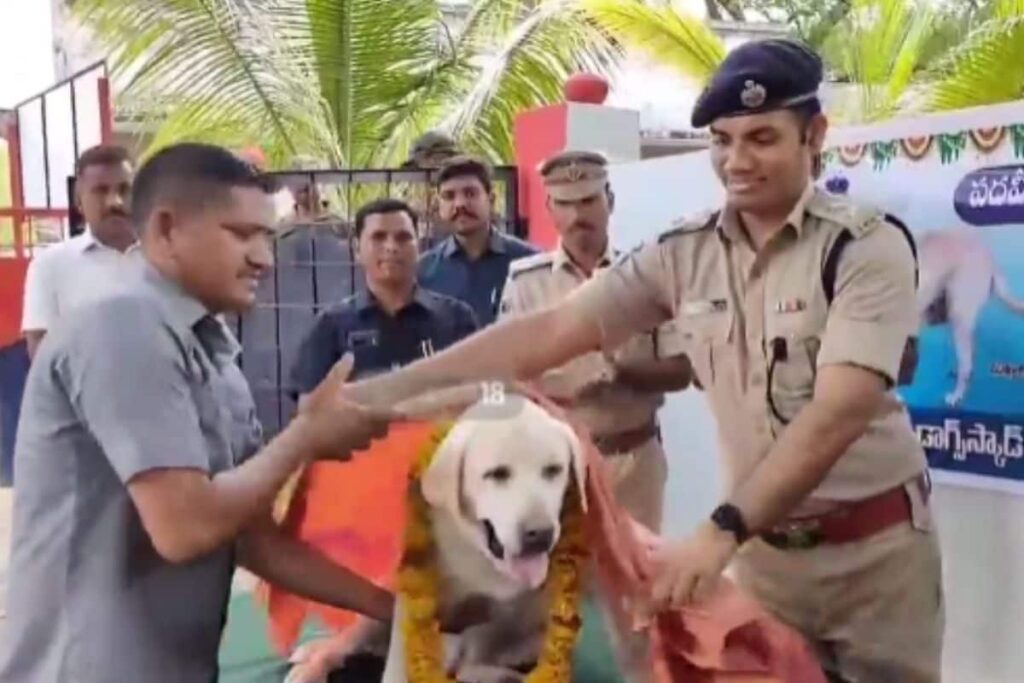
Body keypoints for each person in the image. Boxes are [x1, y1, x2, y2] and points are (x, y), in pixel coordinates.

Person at [344, 38, 943, 682]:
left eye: (762, 138)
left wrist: (717, 534)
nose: (737, 161)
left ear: (814, 135)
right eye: (722, 140)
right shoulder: (682, 253)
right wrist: (379, 396)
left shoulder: (865, 248)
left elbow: (838, 411)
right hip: (766, 563)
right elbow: (547, 332)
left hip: (873, 562)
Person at [0, 143, 394, 682]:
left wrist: (395, 606)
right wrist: (304, 437)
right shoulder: (122, 326)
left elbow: (254, 538)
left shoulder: (213, 354)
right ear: (166, 230)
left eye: (266, 236)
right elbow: (184, 527)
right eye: (241, 234)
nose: (264, 257)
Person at [498, 150, 691, 532]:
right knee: (565, 580)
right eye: (565, 204)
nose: (577, 216)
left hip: (635, 458)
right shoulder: (525, 282)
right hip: (557, 463)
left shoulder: (646, 275)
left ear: (611, 201)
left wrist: (620, 371)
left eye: (588, 201)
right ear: (549, 208)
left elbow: (682, 372)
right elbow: (509, 379)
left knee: (639, 579)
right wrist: (566, 386)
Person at [291, 197, 479, 393]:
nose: (391, 247)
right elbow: (309, 408)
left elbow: (480, 394)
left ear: (420, 246)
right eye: (378, 237)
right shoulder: (331, 326)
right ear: (357, 249)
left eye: (403, 237)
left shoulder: (457, 318)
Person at [21, 145, 137, 359]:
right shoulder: (50, 265)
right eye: (100, 191)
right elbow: (40, 353)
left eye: (124, 189)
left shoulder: (168, 260)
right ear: (79, 202)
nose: (115, 201)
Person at [417, 155, 537, 326]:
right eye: (449, 196)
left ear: (491, 199)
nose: (459, 204)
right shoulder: (423, 272)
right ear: (439, 206)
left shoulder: (528, 263)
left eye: (470, 193)